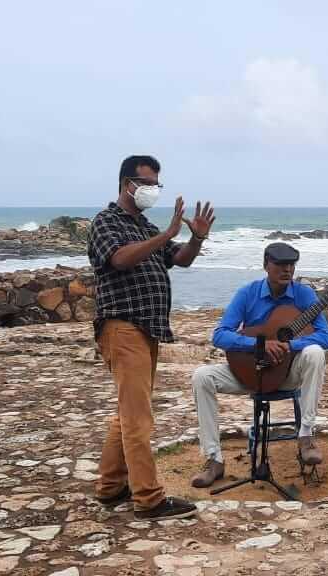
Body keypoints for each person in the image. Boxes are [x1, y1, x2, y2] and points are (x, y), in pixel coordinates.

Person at [88, 154, 216, 520]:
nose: (152, 190)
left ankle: (111, 486)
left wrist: (196, 238)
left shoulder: (144, 226)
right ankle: (148, 498)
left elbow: (182, 259)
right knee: (137, 419)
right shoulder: (106, 222)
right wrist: (166, 234)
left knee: (127, 413)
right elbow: (119, 259)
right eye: (146, 184)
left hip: (147, 329)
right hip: (122, 326)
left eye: (156, 184)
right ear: (126, 183)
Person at [189, 242, 328, 488]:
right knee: (202, 376)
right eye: (280, 264)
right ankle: (214, 459)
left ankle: (306, 436)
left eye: (291, 265)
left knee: (315, 352)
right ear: (266, 265)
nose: (287, 270)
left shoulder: (304, 295)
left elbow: (325, 337)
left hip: (286, 374)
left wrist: (290, 345)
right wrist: (259, 345)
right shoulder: (248, 293)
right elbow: (220, 335)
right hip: (250, 374)